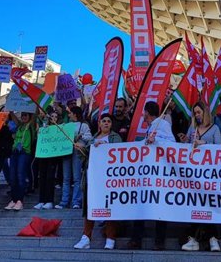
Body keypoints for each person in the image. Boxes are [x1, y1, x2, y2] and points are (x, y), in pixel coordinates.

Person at [127, 101, 175, 250]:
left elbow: (171, 143)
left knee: (159, 207)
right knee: (140, 204)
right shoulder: (152, 127)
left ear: (147, 112)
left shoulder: (163, 124)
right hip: (148, 174)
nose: (142, 114)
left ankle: (159, 241)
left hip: (160, 174)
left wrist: (157, 141)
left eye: (143, 111)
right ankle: (136, 239)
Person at [73, 113, 122, 250]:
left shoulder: (115, 138)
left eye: (109, 121)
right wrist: (81, 149)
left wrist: (104, 146)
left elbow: (119, 153)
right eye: (104, 121)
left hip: (109, 179)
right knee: (90, 206)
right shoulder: (93, 139)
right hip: (93, 179)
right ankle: (86, 237)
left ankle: (110, 238)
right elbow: (85, 158)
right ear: (99, 124)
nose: (106, 123)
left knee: (109, 207)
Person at [179, 102, 221, 252]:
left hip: (209, 174)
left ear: (205, 113)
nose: (197, 115)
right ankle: (202, 239)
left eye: (199, 112)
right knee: (196, 205)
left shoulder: (215, 128)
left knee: (208, 205)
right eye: (195, 113)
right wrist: (185, 141)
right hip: (194, 175)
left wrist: (204, 143)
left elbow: (220, 148)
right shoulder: (192, 128)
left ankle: (210, 238)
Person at [57, 106, 92, 209]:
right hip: (66, 152)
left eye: (70, 113)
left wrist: (81, 137)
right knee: (66, 178)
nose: (69, 115)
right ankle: (64, 201)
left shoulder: (84, 125)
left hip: (77, 153)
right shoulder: (67, 125)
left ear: (75, 114)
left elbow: (90, 138)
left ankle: (76, 201)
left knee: (77, 178)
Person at [5, 112, 34, 211]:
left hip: (24, 153)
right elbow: (13, 116)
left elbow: (35, 115)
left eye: (26, 115)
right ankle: (13, 199)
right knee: (12, 177)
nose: (24, 117)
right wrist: (11, 110)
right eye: (22, 115)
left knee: (20, 175)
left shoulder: (31, 126)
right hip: (15, 152)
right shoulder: (19, 126)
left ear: (30, 116)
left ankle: (20, 200)